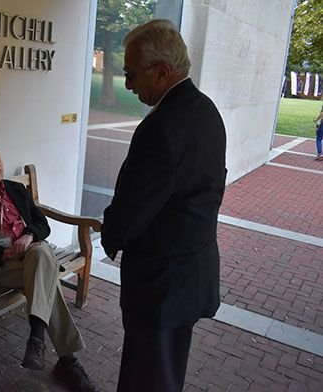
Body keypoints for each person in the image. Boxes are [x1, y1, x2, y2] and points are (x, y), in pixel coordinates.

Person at [101, 20, 227, 392]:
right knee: (165, 374)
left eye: (131, 73)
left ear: (161, 71)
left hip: (162, 284)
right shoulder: (206, 110)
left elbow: (134, 208)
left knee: (148, 379)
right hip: (190, 273)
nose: (127, 84)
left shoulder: (162, 127)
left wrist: (112, 233)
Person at [0, 145, 99, 392]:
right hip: (1, 265)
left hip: (32, 256)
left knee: (40, 253)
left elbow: (42, 224)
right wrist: (6, 252)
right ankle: (65, 358)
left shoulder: (17, 189)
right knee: (46, 270)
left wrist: (29, 236)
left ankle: (39, 340)